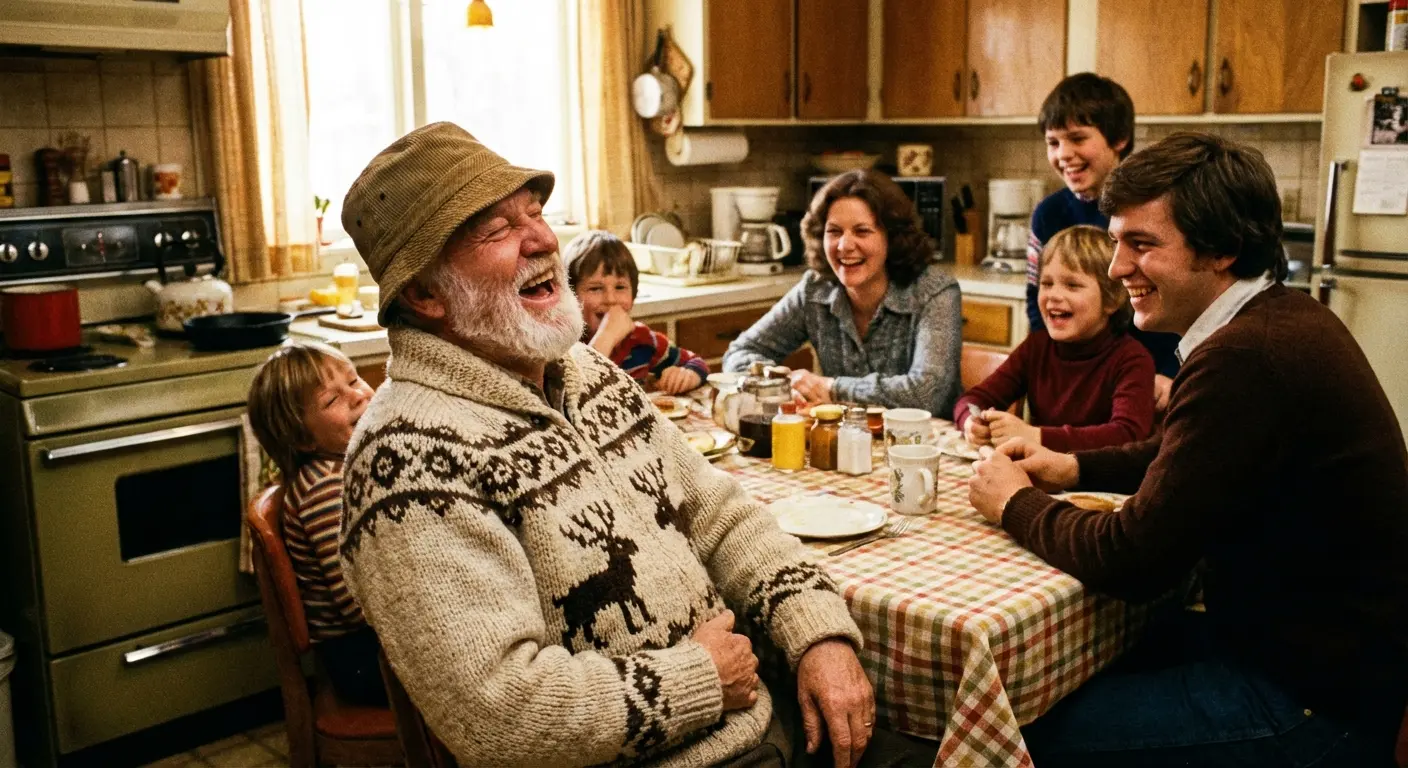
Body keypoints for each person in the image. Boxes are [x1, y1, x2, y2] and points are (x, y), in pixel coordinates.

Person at [335, 123, 929, 768]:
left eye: (534, 213)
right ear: (424, 294)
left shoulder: (588, 373)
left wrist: (818, 635)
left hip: (766, 722)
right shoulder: (404, 460)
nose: (541, 240)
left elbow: (722, 518)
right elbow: (499, 714)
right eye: (497, 230)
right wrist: (699, 678)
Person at [969, 132, 1408, 767]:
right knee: (1052, 679)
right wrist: (1073, 466)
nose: (1117, 268)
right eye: (1116, 241)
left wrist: (1014, 504)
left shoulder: (1243, 356)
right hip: (1318, 662)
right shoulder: (1279, 318)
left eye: (1142, 244)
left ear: (1222, 249)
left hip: (1311, 701)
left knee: (1013, 733)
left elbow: (1133, 559)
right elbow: (1189, 456)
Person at [722, 169, 962, 416]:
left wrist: (832, 388)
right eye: (834, 232)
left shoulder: (935, 292)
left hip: (928, 438)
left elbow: (926, 394)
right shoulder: (815, 289)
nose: (845, 246)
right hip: (843, 434)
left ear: (892, 238)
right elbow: (739, 353)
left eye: (862, 231)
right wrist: (781, 385)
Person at [1028, 72, 1181, 410]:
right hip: (1076, 383)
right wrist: (1052, 367)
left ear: (1120, 139)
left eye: (1077, 138)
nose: (1063, 154)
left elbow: (1175, 299)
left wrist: (1170, 372)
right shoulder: (1047, 215)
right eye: (1053, 142)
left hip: (1148, 381)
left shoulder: (1154, 209)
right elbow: (1035, 299)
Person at [245, 341, 385, 706]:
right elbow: (355, 603)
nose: (357, 395)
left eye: (353, 380)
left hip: (374, 642)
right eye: (332, 400)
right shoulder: (326, 489)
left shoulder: (354, 463)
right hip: (362, 656)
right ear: (303, 438)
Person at [955, 224, 1154, 452]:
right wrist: (971, 422)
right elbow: (975, 398)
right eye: (1046, 283)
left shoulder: (1132, 360)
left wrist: (1036, 436)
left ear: (1111, 299)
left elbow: (1127, 435)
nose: (1054, 295)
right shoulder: (1036, 347)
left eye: (1072, 285)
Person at [563, 230, 708, 394]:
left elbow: (696, 363)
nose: (610, 299)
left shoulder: (642, 340)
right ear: (571, 296)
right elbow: (575, 391)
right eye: (595, 288)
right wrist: (606, 337)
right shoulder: (564, 347)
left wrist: (687, 375)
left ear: (633, 295)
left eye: (620, 287)